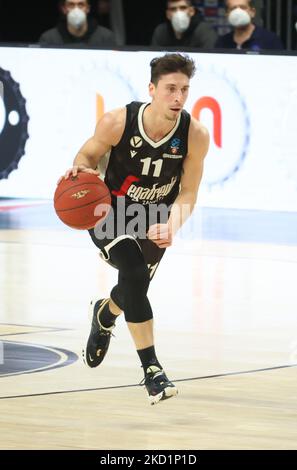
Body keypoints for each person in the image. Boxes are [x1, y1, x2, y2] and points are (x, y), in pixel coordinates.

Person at [58, 53, 209, 405]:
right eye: (171, 89)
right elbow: (85, 158)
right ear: (152, 89)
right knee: (135, 273)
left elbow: (188, 192)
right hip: (108, 210)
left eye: (184, 90)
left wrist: (171, 225)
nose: (178, 98)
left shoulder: (194, 135)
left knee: (132, 288)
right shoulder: (117, 121)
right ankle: (152, 371)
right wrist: (81, 172)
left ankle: (105, 312)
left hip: (154, 217)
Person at [39, 0, 116, 48]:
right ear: (64, 9)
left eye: (81, 4)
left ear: (88, 9)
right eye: (71, 5)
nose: (76, 9)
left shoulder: (105, 37)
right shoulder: (49, 38)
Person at [215, 0, 283, 51]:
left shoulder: (270, 40)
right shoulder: (222, 42)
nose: (238, 12)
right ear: (227, 14)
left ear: (252, 12)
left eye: (243, 7)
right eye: (233, 8)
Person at [151, 0, 217, 49]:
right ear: (168, 14)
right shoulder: (161, 31)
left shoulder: (205, 31)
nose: (178, 13)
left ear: (192, 11)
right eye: (173, 9)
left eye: (183, 8)